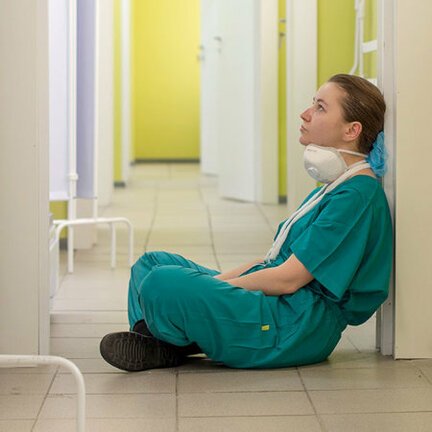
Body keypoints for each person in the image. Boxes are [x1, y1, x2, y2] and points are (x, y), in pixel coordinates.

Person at [100, 74, 393, 371]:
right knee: (150, 265)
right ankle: (169, 344)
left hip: (294, 326)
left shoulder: (355, 196)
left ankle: (165, 342)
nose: (305, 114)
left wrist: (215, 292)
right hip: (281, 307)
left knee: (162, 283)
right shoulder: (335, 186)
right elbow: (270, 261)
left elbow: (287, 279)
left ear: (351, 130)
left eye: (319, 107)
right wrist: (210, 288)